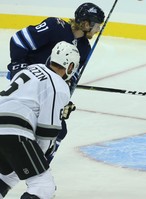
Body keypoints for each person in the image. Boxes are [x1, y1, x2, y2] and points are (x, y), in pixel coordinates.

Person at [6, 2, 105, 162]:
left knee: (58, 130)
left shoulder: (84, 47)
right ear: (86, 23)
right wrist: (20, 70)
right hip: (28, 88)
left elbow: (69, 78)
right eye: (96, 25)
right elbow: (18, 40)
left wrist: (63, 101)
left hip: (46, 92)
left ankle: (39, 165)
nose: (98, 30)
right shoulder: (55, 26)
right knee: (19, 125)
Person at [0, 41, 80, 199]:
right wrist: (41, 159)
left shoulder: (31, 68)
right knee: (43, 186)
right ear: (70, 66)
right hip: (15, 130)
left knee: (5, 178)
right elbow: (46, 133)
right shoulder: (59, 85)